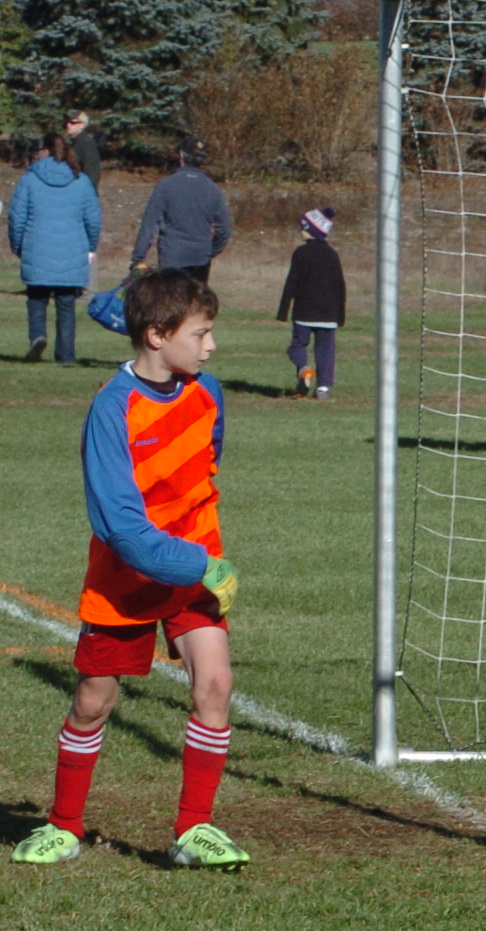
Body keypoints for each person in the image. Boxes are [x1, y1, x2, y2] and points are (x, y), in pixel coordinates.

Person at [10, 271, 247, 870]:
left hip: (194, 568)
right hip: (129, 578)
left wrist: (199, 556)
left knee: (215, 684)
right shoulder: (111, 409)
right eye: (201, 333)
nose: (211, 346)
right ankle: (64, 825)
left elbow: (208, 463)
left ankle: (194, 829)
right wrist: (198, 562)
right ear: (157, 335)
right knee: (93, 700)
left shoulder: (208, 392)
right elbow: (120, 526)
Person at [6, 133, 101, 365]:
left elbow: (16, 218)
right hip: (72, 249)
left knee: (36, 299)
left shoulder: (29, 179)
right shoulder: (81, 180)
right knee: (66, 304)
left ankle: (38, 336)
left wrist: (18, 246)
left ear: (45, 151)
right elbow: (93, 219)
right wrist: (90, 246)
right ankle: (66, 355)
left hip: (37, 247)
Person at [129, 135, 231, 285]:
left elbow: (149, 225)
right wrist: (209, 251)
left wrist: (138, 259)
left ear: (181, 156)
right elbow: (224, 230)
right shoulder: (213, 189)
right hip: (200, 260)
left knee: (171, 298)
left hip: (172, 257)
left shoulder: (166, 186)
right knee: (195, 299)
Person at [276, 207, 345, 398]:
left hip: (304, 313)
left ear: (311, 230)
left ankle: (304, 369)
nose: (300, 230)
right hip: (329, 315)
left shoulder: (301, 253)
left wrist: (283, 311)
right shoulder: (332, 254)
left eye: (303, 226)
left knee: (297, 346)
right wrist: (340, 316)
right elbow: (340, 286)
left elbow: (292, 282)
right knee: (326, 351)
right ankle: (323, 388)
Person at [64, 113, 103, 188]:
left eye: (73, 122)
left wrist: (87, 192)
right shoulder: (74, 143)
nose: (68, 125)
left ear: (82, 125)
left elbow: (92, 173)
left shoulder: (87, 144)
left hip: (82, 190)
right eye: (67, 122)